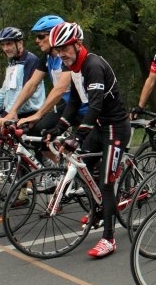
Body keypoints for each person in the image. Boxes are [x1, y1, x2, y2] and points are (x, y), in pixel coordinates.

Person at [43, 22, 131, 258]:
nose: (61, 53)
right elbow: (73, 102)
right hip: (99, 127)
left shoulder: (92, 65)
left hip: (115, 129)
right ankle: (101, 210)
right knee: (84, 165)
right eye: (57, 49)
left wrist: (77, 136)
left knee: (106, 183)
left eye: (65, 48)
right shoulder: (73, 65)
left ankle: (109, 238)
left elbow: (95, 105)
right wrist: (57, 126)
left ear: (78, 44)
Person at [0, 16, 72, 135]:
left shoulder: (67, 58)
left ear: (56, 35)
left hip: (83, 108)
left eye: (41, 36)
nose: (37, 40)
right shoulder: (47, 58)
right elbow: (31, 84)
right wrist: (12, 111)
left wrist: (38, 115)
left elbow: (59, 89)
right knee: (38, 133)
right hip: (66, 106)